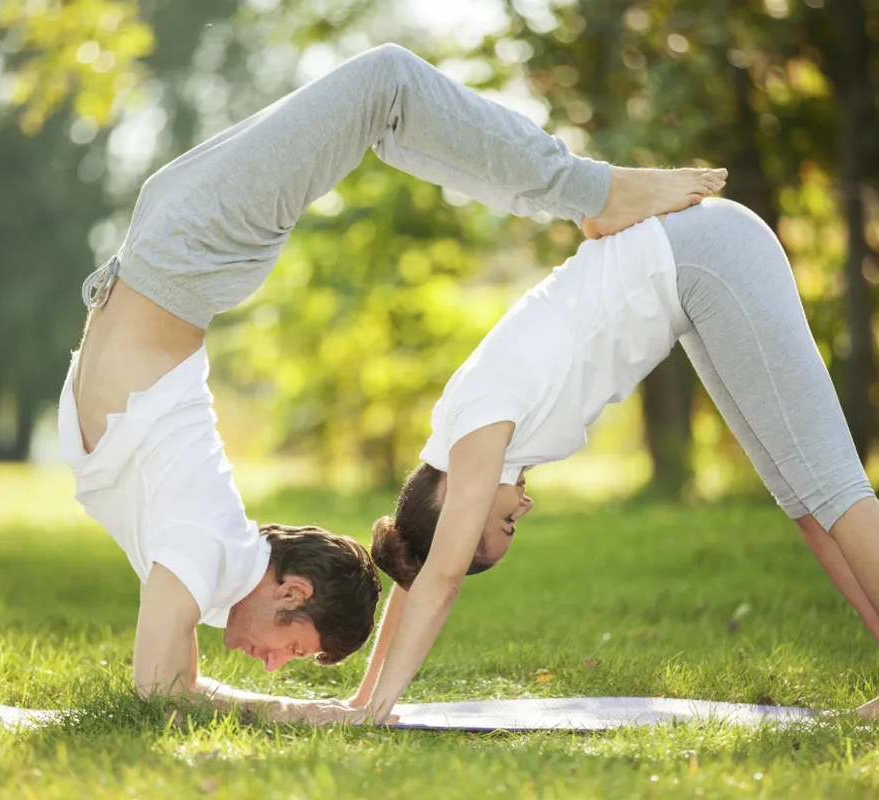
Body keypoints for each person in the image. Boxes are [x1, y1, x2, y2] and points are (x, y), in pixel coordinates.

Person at [58, 42, 726, 725]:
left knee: (387, 103)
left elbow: (171, 687)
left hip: (161, 251)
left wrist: (343, 708)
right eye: (294, 648)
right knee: (387, 83)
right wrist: (324, 715)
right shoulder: (206, 549)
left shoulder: (208, 567)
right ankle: (599, 191)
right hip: (187, 251)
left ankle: (589, 195)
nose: (272, 662)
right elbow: (161, 694)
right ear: (291, 592)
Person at [357, 198, 879, 728]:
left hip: (706, 260)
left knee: (836, 491)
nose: (522, 509)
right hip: (692, 277)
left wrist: (377, 713)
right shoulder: (465, 448)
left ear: (458, 508)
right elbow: (421, 566)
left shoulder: (476, 430)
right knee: (806, 504)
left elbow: (441, 574)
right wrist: (362, 700)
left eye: (505, 526)